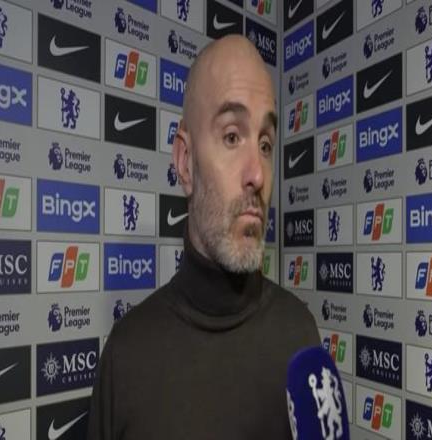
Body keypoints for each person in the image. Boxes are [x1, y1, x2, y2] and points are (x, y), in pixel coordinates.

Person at [87, 35, 320, 439]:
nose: (258, 174)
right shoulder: (126, 358)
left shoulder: (301, 337)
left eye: (265, 144)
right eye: (232, 136)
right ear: (185, 162)